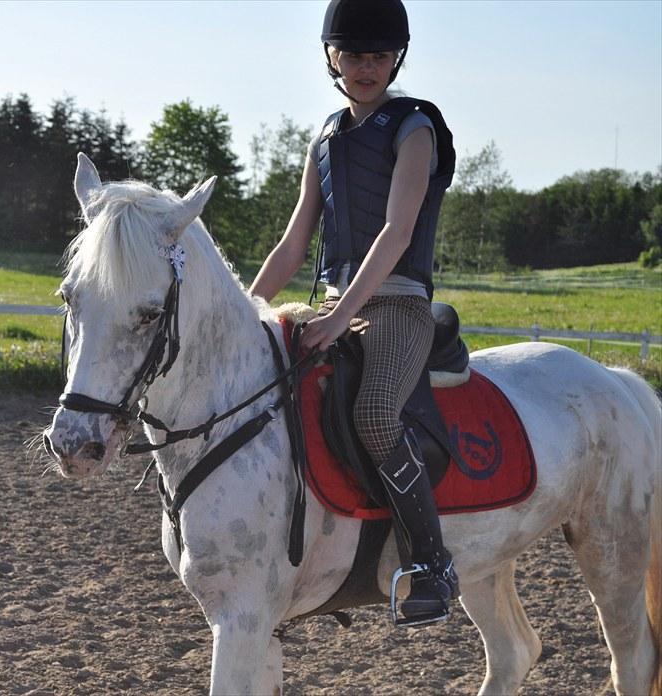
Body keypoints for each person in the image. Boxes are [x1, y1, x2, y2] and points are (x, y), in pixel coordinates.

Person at [249, 0, 459, 625]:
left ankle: (431, 561)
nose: (365, 67)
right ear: (331, 58)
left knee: (373, 413)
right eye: (352, 55)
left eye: (377, 56)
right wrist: (249, 307)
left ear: (396, 58)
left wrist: (340, 320)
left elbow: (397, 230)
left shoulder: (414, 127)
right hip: (333, 303)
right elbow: (293, 244)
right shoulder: (325, 138)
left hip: (396, 307)